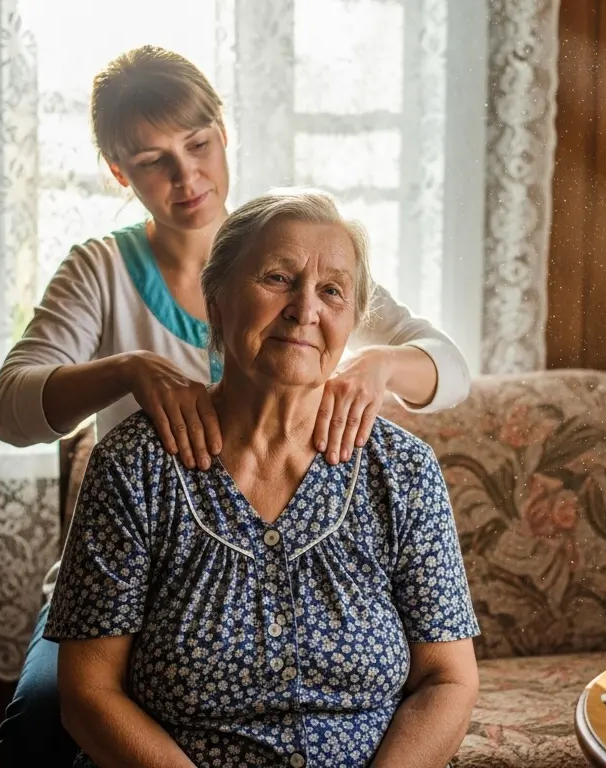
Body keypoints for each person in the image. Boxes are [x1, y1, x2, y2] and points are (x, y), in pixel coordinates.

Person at [0, 46, 473, 767]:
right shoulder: (103, 270)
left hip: (267, 511)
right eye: (153, 160)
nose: (186, 176)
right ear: (120, 172)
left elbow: (449, 366)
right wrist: (127, 372)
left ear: (224, 134)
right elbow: (11, 408)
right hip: (142, 563)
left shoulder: (294, 245)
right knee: (42, 714)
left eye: (197, 145)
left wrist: (383, 368)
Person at [46, 188, 481, 767]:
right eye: (277, 278)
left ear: (352, 320)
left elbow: (448, 680)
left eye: (332, 291)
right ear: (217, 300)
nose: (306, 309)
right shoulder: (134, 468)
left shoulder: (402, 471)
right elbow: (89, 694)